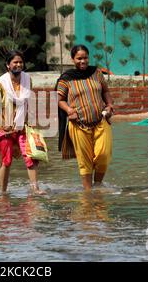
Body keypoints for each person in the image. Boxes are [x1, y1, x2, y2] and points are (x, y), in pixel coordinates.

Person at [56, 45, 114, 191]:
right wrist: (69, 110)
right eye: (79, 58)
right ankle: (88, 193)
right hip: (78, 125)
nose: (83, 61)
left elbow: (105, 90)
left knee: (103, 154)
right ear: (73, 59)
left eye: (85, 58)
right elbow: (59, 99)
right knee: (85, 160)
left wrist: (109, 104)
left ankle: (98, 185)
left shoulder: (97, 73)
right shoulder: (66, 79)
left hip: (101, 121)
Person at [0, 50, 46, 195]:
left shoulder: (28, 79)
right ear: (8, 65)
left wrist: (32, 123)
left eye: (20, 62)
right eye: (15, 62)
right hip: (5, 128)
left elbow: (29, 103)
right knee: (6, 162)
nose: (18, 65)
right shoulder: (0, 83)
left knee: (30, 157)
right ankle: (3, 193)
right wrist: (4, 124)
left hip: (24, 126)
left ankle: (35, 189)